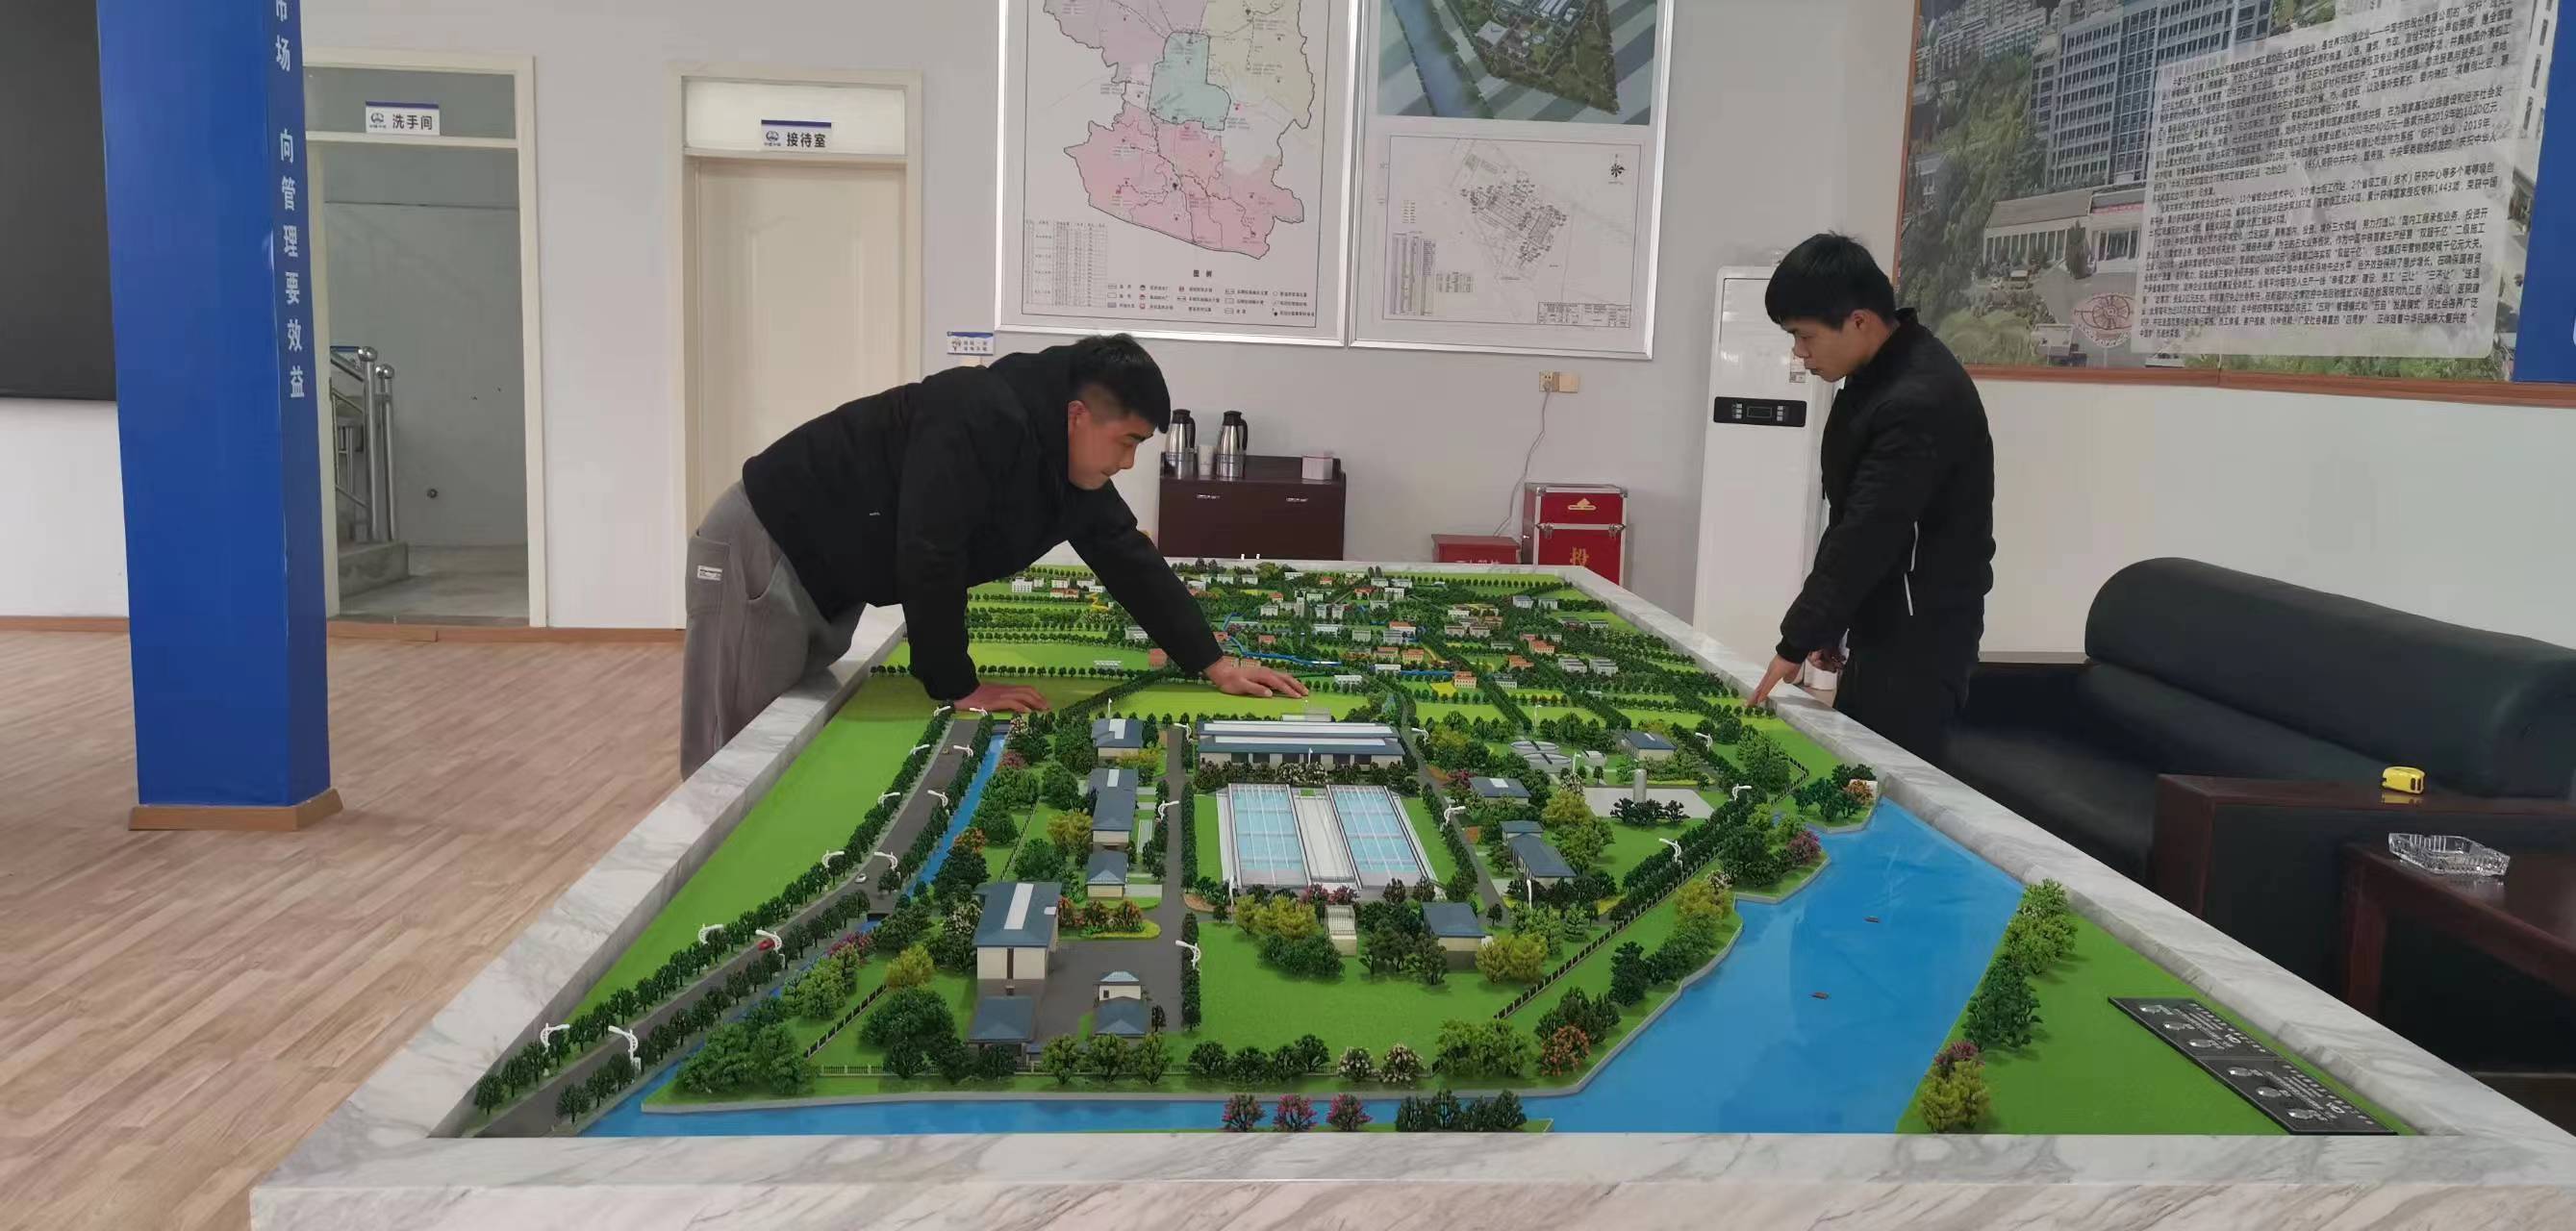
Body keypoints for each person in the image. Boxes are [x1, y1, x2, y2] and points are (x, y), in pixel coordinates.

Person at [682, 334, 1304, 774]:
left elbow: (1125, 555)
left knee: (774, 749)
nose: (1128, 462)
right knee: (731, 765)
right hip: (763, 548)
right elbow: (932, 547)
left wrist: (1213, 662)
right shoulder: (978, 412)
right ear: (1078, 416)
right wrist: (959, 686)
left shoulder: (1065, 467)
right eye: (1126, 441)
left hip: (823, 578)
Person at [1746, 235, 1994, 763]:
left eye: (1805, 336)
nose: (1799, 352)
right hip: (1885, 619)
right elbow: (1851, 512)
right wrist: (1831, 622)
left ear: (1858, 321)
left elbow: (1867, 532)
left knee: (1889, 781)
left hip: (1920, 635)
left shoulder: (1919, 398)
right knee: (1852, 766)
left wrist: (1794, 642)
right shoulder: (1875, 376)